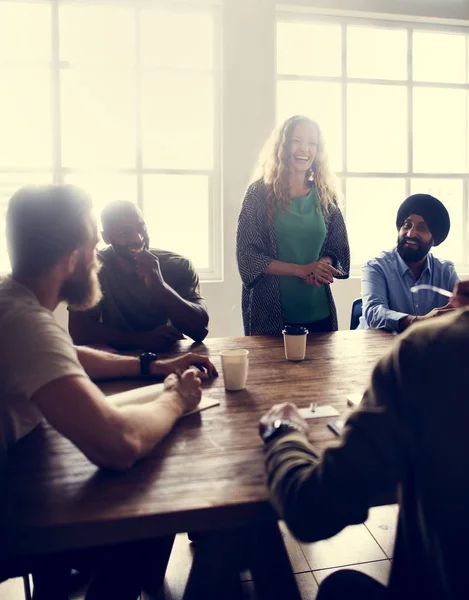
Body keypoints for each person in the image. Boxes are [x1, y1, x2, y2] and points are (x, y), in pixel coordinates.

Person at [0, 184, 218, 600]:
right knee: (158, 494)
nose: (100, 251)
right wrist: (175, 398)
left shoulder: (10, 300)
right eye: (92, 240)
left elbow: (70, 353)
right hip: (10, 515)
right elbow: (119, 444)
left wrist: (153, 364)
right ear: (70, 257)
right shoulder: (26, 323)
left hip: (18, 478)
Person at [260, 283, 469, 600]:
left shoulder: (432, 348)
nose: (461, 283)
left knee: (337, 589)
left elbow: (313, 510)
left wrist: (282, 430)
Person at [236, 115, 350, 336]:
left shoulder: (326, 195)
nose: (304, 149)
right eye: (296, 141)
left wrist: (323, 265)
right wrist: (302, 270)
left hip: (319, 313)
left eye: (312, 143)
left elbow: (338, 248)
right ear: (282, 146)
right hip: (270, 316)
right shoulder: (258, 194)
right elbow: (248, 258)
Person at [69, 200, 209, 350]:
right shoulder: (92, 268)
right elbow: (79, 332)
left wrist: (161, 287)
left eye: (141, 228)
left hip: (170, 356)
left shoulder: (178, 265)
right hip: (115, 360)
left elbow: (200, 330)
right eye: (125, 233)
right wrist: (140, 340)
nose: (138, 238)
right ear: (106, 237)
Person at [360, 193, 458, 332]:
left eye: (422, 228)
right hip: (379, 348)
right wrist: (420, 321)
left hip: (426, 348)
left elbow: (460, 308)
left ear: (434, 237)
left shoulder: (446, 271)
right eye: (407, 225)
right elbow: (374, 313)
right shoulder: (376, 267)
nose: (410, 233)